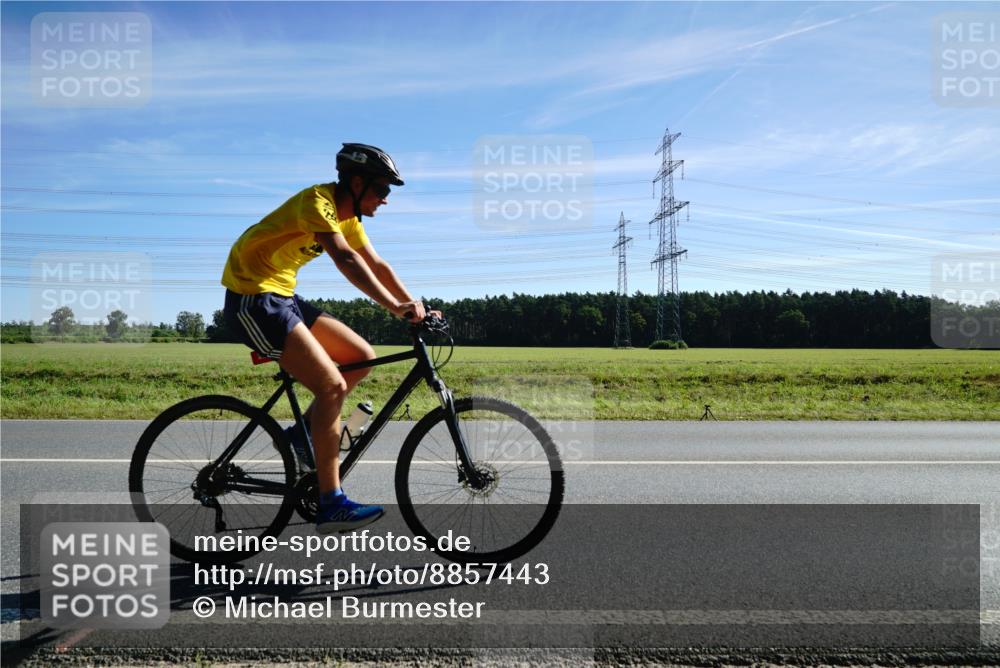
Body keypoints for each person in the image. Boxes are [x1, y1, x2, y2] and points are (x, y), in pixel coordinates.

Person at [220, 143, 436, 534]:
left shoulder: (349, 216)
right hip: (252, 297)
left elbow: (376, 263)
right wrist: (395, 308)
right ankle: (331, 500)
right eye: (382, 190)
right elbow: (346, 260)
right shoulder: (317, 202)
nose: (385, 201)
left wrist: (412, 303)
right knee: (332, 385)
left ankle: (300, 437)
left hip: (281, 295)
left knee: (360, 355)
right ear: (356, 183)